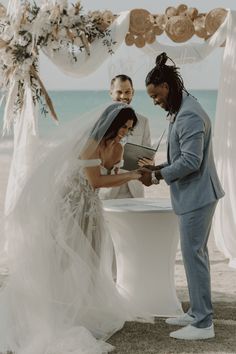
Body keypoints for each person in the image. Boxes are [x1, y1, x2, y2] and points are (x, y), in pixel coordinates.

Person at [0, 103, 152, 354]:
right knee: (63, 258)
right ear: (112, 124)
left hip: (91, 208)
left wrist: (134, 165)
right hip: (70, 206)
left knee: (91, 258)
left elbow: (110, 172)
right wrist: (134, 175)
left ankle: (83, 308)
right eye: (123, 127)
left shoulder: (116, 147)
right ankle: (52, 307)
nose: (126, 132)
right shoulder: (89, 143)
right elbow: (95, 181)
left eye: (129, 128)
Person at [140, 53, 225, 340]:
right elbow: (183, 157)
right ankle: (196, 311)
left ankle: (203, 323)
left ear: (165, 86)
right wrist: (159, 167)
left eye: (155, 95)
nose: (155, 101)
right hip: (195, 195)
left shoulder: (188, 113)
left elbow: (190, 161)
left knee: (194, 256)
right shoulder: (184, 107)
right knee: (193, 256)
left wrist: (157, 175)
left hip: (198, 196)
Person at [99, 74, 153, 199]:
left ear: (133, 93)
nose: (123, 96)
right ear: (111, 93)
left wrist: (150, 163)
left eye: (127, 92)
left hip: (134, 192)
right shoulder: (101, 121)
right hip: (107, 192)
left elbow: (149, 156)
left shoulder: (143, 121)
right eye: (119, 92)